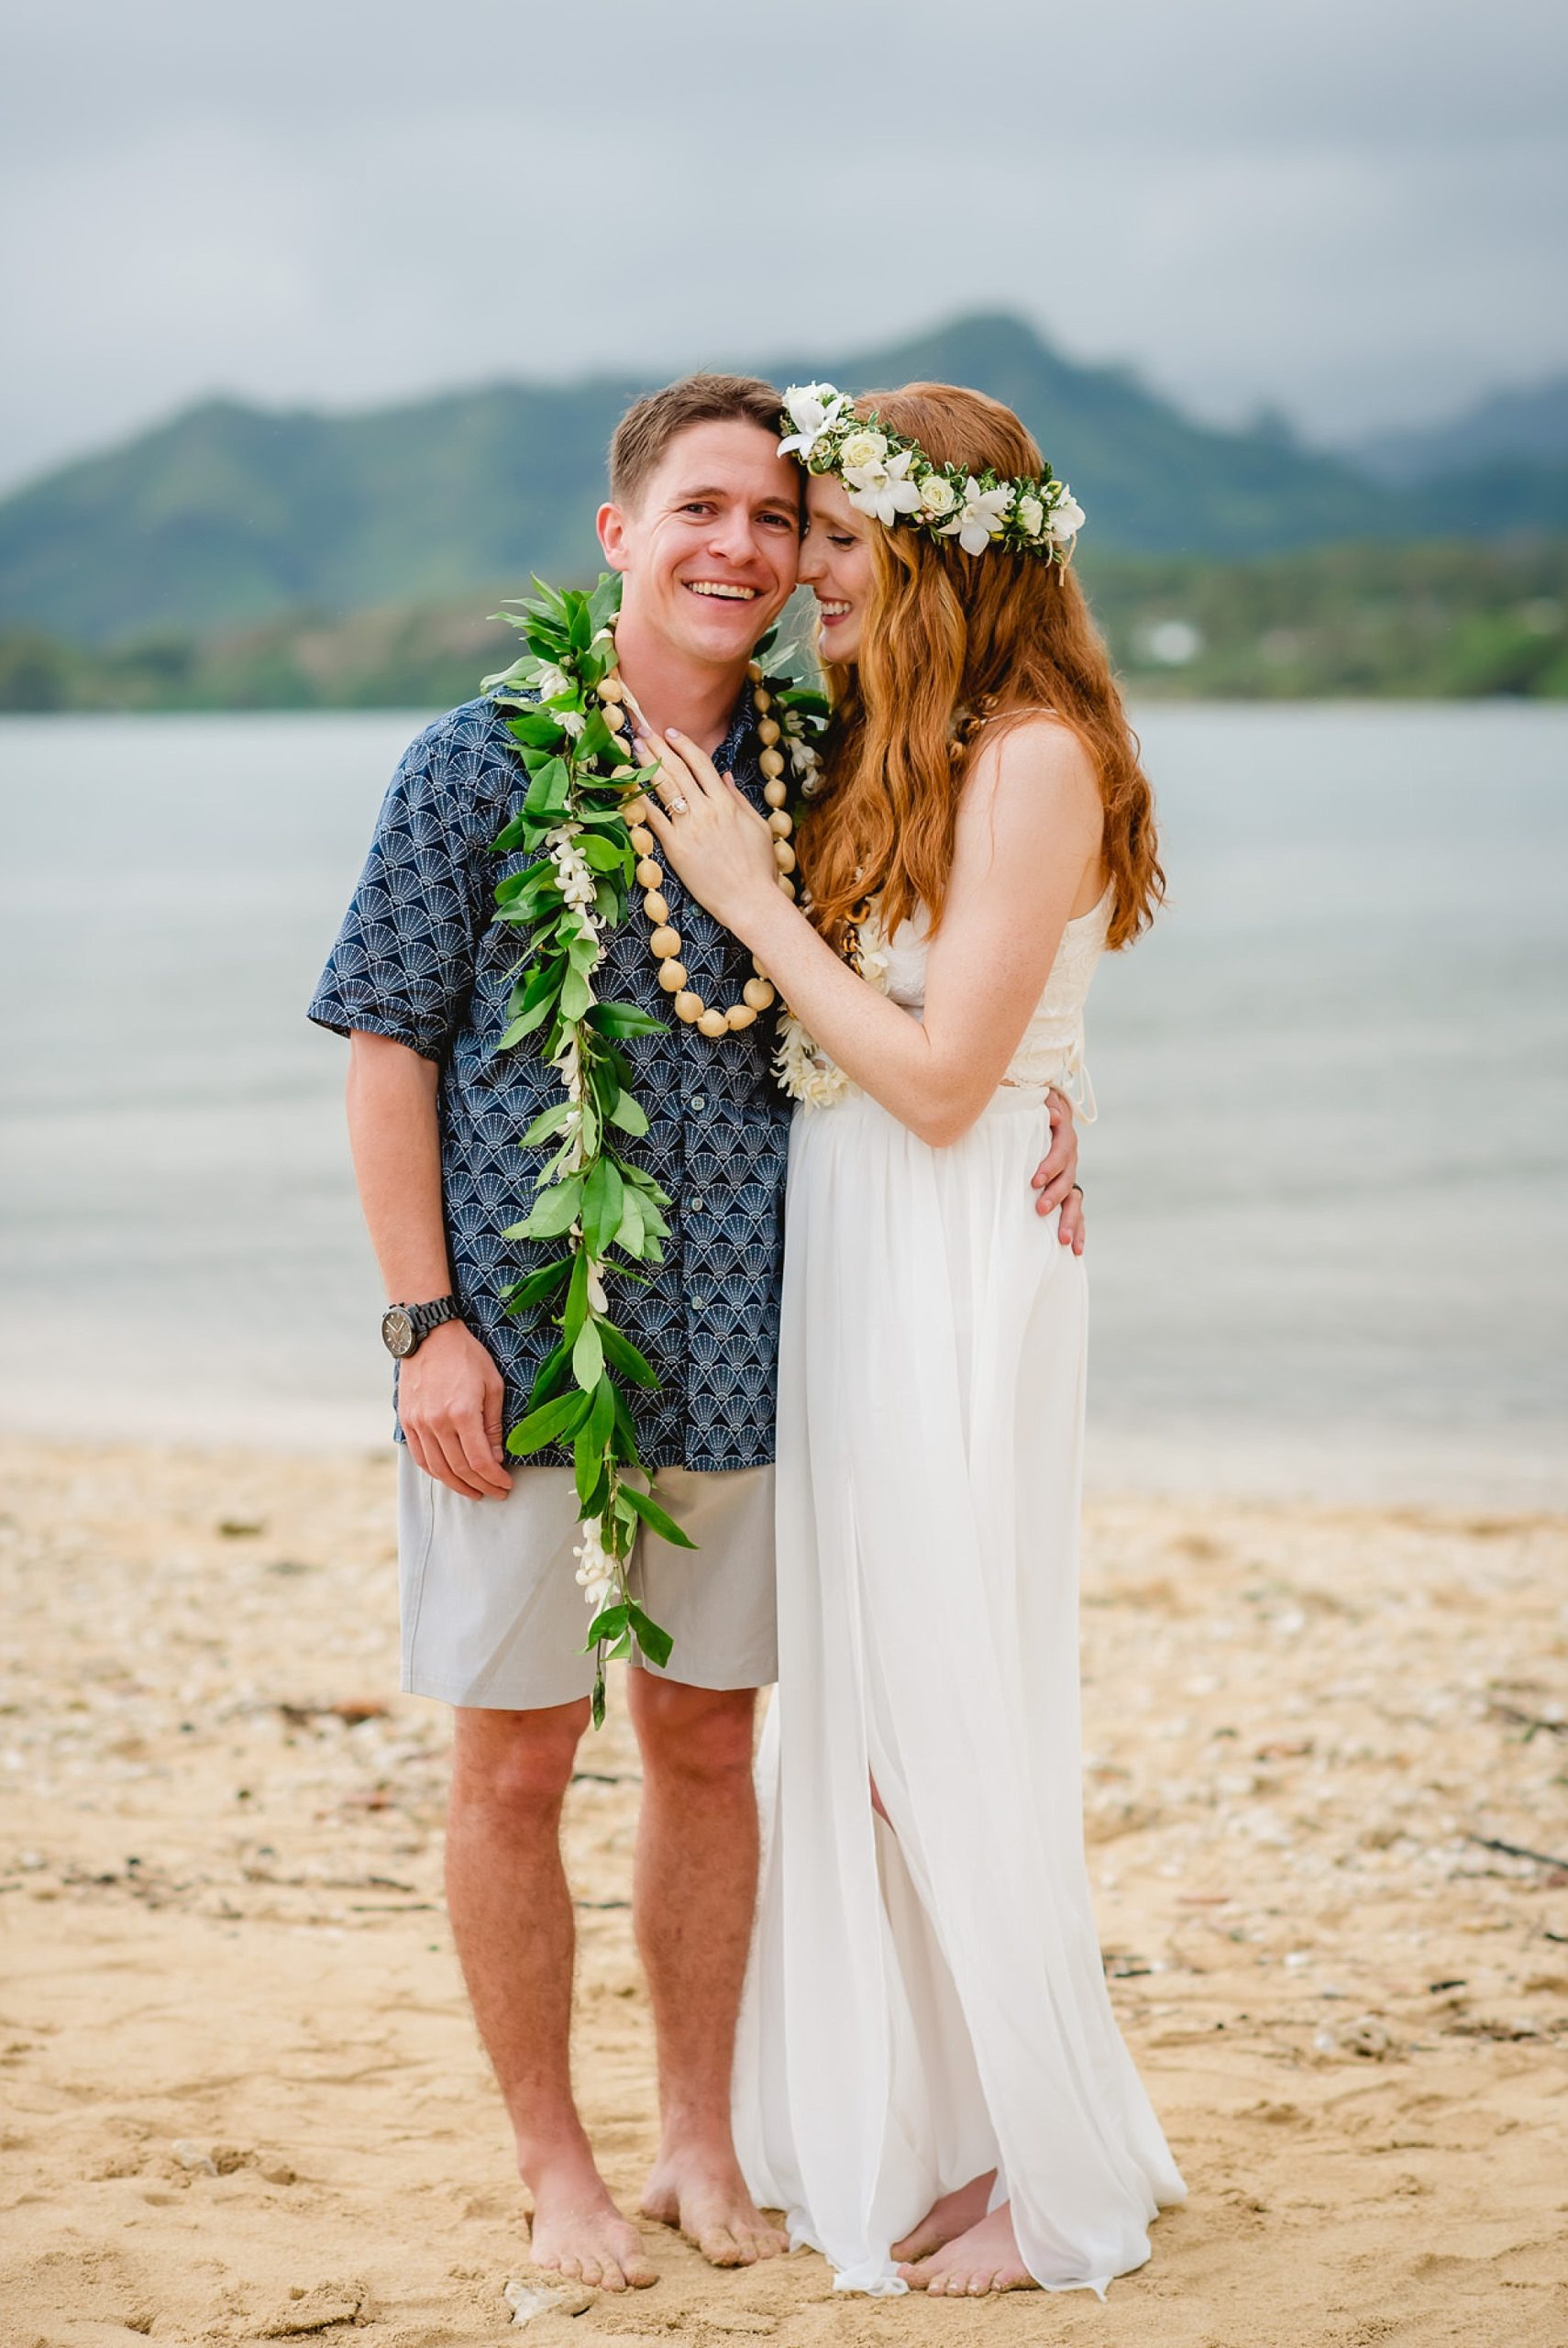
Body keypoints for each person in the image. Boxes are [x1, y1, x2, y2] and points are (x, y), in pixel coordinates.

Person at [307, 372, 1085, 2293]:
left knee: (711, 1753)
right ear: (620, 536)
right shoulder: (478, 764)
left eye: (778, 517)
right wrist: (426, 1324)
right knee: (509, 1763)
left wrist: (1048, 1095)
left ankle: (697, 2140)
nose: (743, 547)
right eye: (705, 510)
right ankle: (554, 2163)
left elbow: (962, 963)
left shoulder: (833, 757)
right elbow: (386, 1048)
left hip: (760, 1352)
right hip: (523, 1348)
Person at [640, 379, 1186, 2298]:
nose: (811, 585)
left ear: (946, 552)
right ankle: (961, 2128)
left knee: (959, 1710)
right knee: (869, 1735)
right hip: (867, 1252)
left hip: (956, 1246)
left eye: (850, 547)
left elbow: (952, 1079)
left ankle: (1054, 2172)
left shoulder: (1034, 753)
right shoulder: (907, 739)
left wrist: (750, 904)